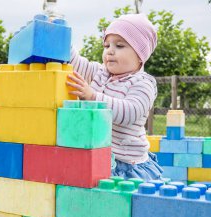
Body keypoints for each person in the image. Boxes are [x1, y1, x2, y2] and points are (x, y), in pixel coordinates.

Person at [66, 13, 163, 181]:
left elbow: (130, 112)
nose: (110, 51)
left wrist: (93, 96)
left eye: (119, 46)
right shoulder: (100, 73)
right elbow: (77, 64)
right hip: (98, 157)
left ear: (140, 55)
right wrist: (62, 36)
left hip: (127, 165)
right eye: (106, 45)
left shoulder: (142, 83)